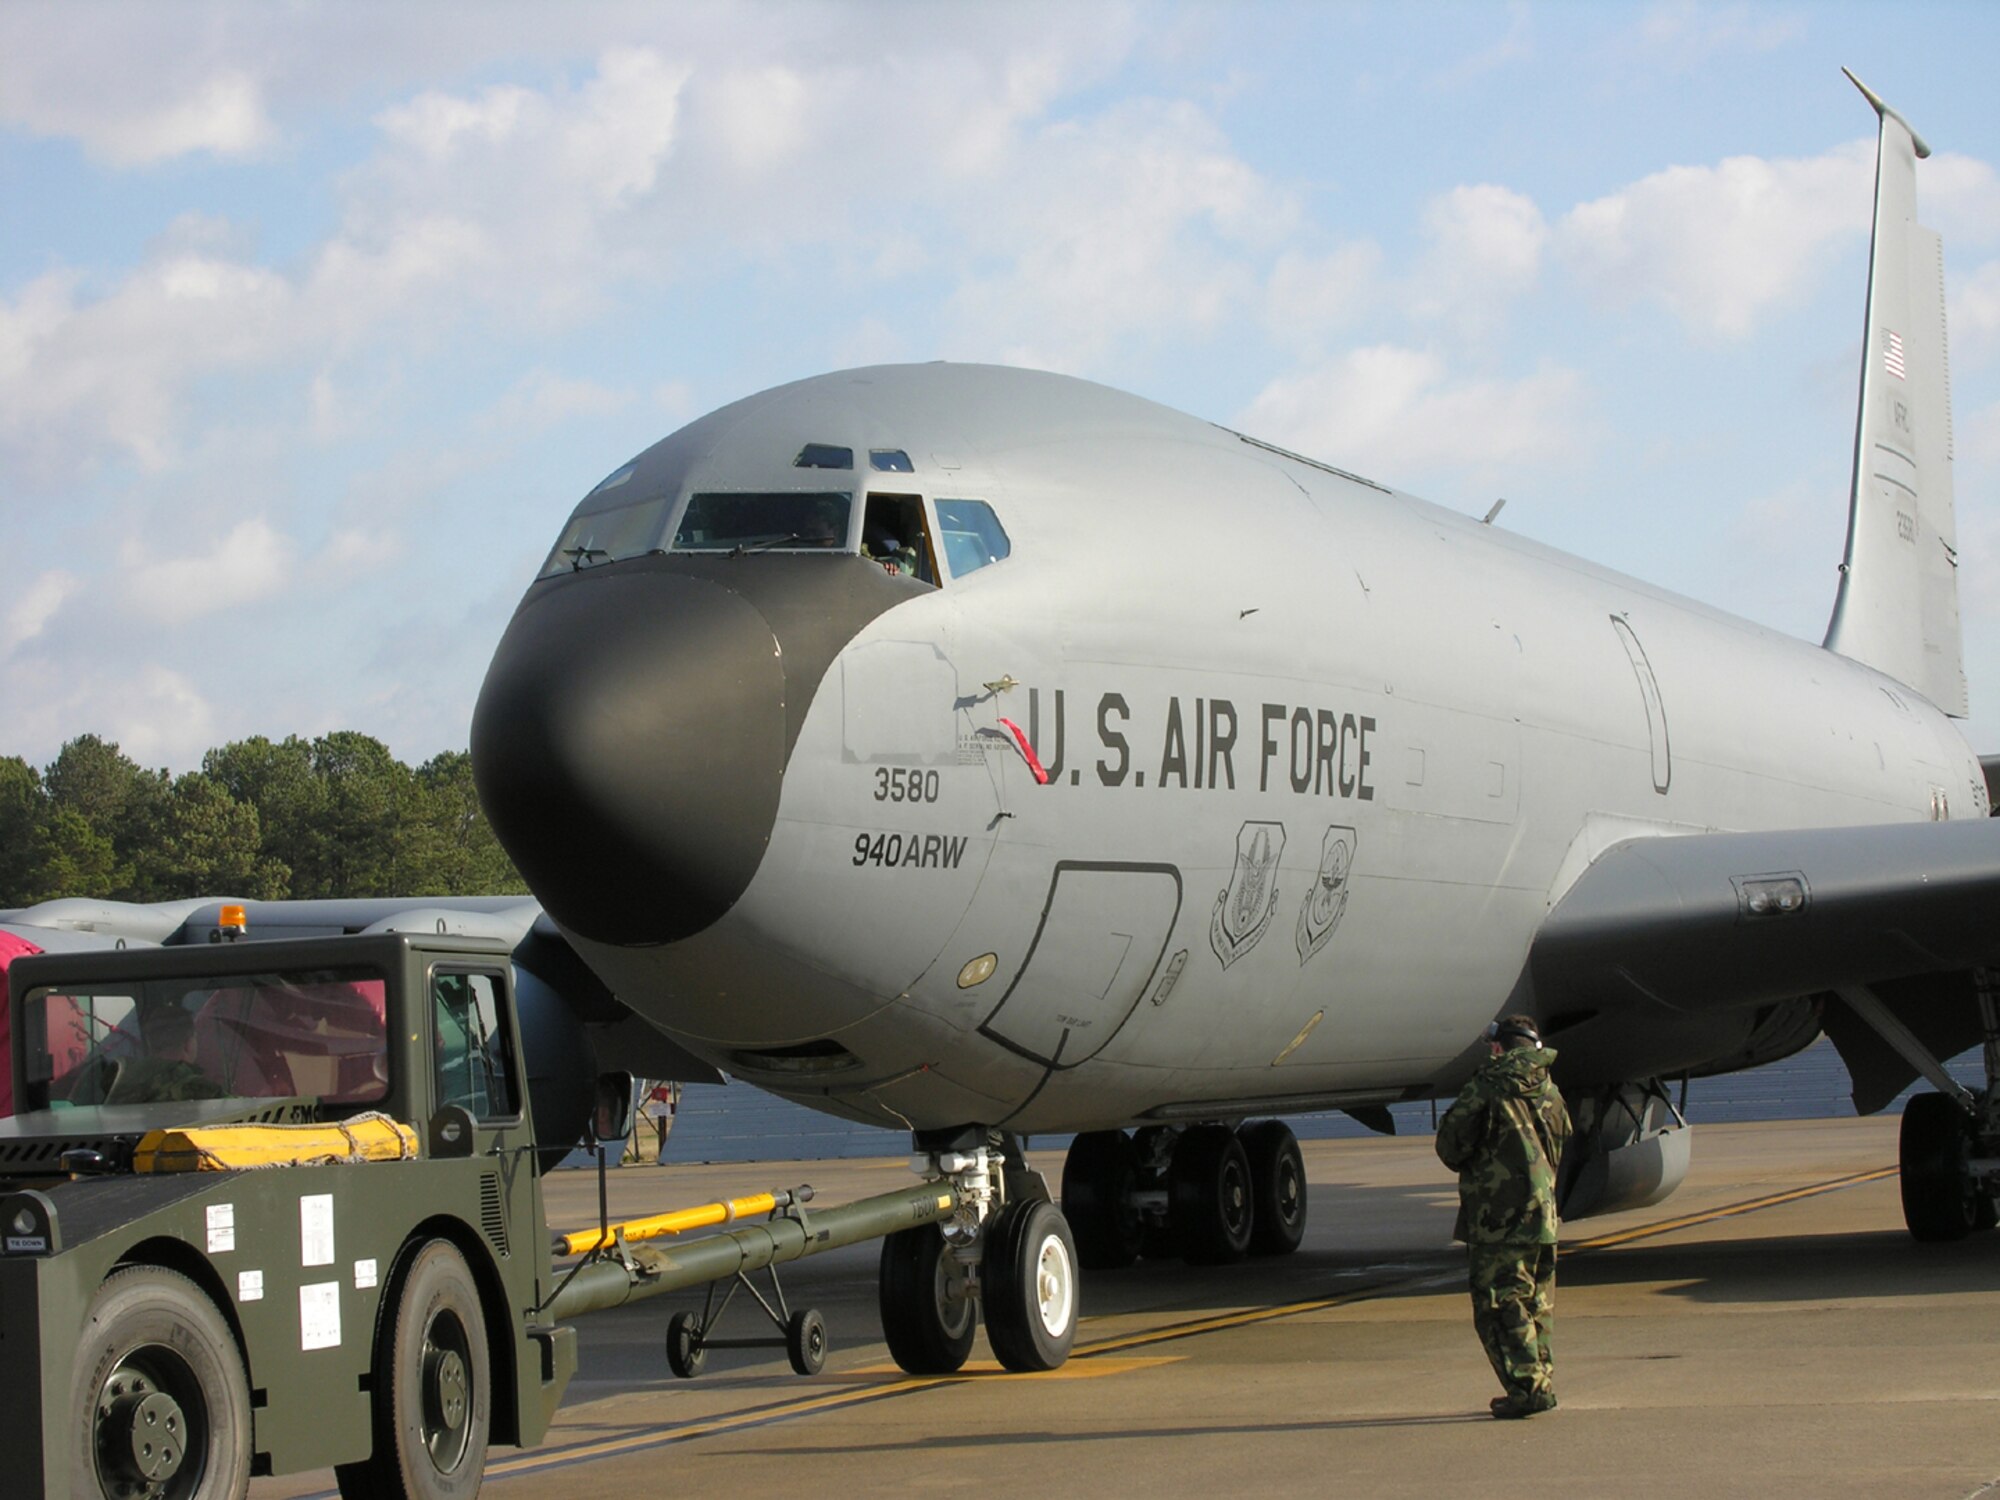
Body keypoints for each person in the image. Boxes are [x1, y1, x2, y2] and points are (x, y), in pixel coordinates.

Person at [1434, 1013, 1572, 1419]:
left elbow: (1450, 1146)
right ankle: (1539, 1380)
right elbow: (1562, 1138)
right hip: (1543, 1218)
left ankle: (1529, 1390)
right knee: (1536, 1304)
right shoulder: (1550, 1089)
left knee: (1499, 1305)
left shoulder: (1486, 1086)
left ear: (1499, 1046)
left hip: (1498, 1221)